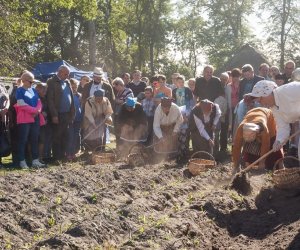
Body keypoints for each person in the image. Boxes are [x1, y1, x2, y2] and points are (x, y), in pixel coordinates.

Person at [245, 70, 300, 159]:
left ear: (267, 94)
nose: (261, 104)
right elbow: (283, 126)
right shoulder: (274, 108)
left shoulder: (289, 89)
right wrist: (279, 141)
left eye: (261, 100)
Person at [14, 71, 46, 168]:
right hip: (24, 119)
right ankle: (22, 161)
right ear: (24, 81)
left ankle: (35, 160)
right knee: (23, 140)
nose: (32, 83)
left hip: (35, 118)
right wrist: (34, 111)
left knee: (34, 139)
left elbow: (39, 102)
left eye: (33, 82)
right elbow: (21, 104)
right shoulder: (19, 90)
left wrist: (37, 110)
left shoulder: (34, 90)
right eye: (30, 81)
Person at [47, 65, 75, 162]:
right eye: (66, 74)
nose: (67, 76)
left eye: (68, 74)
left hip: (67, 114)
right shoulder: (51, 82)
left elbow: (70, 97)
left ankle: (63, 156)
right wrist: (54, 115)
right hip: (58, 114)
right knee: (57, 136)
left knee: (66, 136)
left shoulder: (67, 82)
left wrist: (72, 113)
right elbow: (50, 100)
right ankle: (57, 157)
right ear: (60, 72)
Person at [112, 77, 134, 147]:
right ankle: (119, 146)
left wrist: (118, 101)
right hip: (118, 115)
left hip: (126, 116)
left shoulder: (128, 91)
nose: (115, 88)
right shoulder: (118, 93)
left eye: (116, 86)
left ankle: (125, 147)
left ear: (119, 84)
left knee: (125, 132)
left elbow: (130, 102)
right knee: (118, 131)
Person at [67, 79, 83, 160]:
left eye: (76, 87)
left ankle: (73, 153)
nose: (74, 89)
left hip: (78, 118)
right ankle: (68, 153)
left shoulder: (79, 95)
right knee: (70, 136)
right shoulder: (68, 95)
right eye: (73, 87)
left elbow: (80, 106)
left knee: (76, 136)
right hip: (70, 119)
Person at [225, 68, 241, 135]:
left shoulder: (242, 84)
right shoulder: (228, 86)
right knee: (233, 123)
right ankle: (233, 139)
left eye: (237, 76)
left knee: (239, 123)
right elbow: (227, 97)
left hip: (240, 107)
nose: (235, 78)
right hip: (232, 107)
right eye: (234, 76)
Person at [35, 82, 48, 163]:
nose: (45, 92)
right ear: (38, 90)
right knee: (33, 140)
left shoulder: (45, 99)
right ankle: (33, 158)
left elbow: (47, 109)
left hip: (43, 122)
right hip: (35, 121)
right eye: (43, 90)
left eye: (45, 90)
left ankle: (40, 157)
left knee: (42, 140)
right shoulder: (35, 98)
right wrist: (41, 112)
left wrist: (46, 116)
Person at [0, 82, 10, 167]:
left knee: (1, 138)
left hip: (2, 118)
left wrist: (6, 108)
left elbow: (8, 99)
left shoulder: (2, 85)